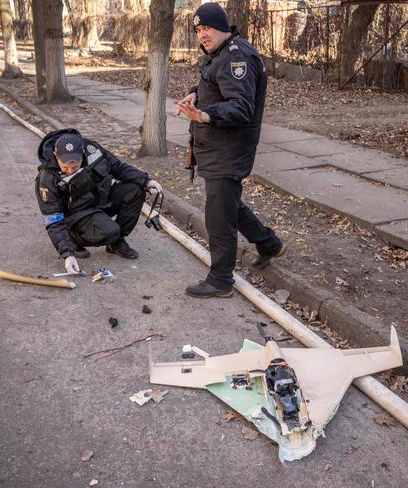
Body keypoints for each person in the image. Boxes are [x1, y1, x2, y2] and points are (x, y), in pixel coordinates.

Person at [175, 2, 284, 299]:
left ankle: (221, 279)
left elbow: (241, 107)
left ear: (223, 26)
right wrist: (195, 95)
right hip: (216, 148)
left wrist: (206, 115)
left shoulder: (237, 57)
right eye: (198, 29)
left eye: (207, 27)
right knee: (228, 205)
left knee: (218, 216)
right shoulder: (220, 54)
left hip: (228, 149)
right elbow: (216, 87)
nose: (202, 34)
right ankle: (269, 243)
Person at [35, 128, 162, 274]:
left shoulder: (92, 150)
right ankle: (73, 239)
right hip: (76, 215)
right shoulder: (47, 178)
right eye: (65, 167)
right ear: (56, 155)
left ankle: (116, 243)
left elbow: (117, 167)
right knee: (110, 231)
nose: (70, 171)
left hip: (100, 202)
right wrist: (67, 254)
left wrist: (146, 181)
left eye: (75, 166)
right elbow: (53, 218)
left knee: (135, 190)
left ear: (82, 153)